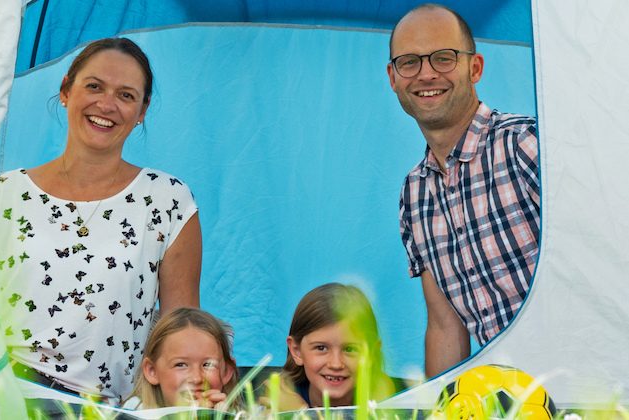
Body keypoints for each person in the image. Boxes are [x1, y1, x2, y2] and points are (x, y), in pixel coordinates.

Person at [0, 37, 202, 410]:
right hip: (6, 401)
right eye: (94, 86)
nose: (106, 104)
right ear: (66, 90)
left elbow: (182, 336)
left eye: (126, 95)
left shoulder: (168, 201)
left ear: (142, 110)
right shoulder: (4, 193)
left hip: (107, 409)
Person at [386, 4, 540, 377]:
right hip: (499, 396)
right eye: (409, 62)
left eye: (443, 58)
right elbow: (445, 326)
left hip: (586, 388)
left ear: (475, 68)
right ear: (393, 78)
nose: (426, 74)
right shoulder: (414, 194)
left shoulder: (526, 144)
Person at [267, 283, 394, 411]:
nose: (336, 364)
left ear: (372, 354)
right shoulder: (276, 404)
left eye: (350, 349)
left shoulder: (391, 403)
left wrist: (300, 413)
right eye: (321, 348)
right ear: (297, 351)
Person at [127, 307, 238, 409]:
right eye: (180, 365)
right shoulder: (134, 412)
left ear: (226, 371)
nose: (197, 378)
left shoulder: (234, 415)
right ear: (152, 371)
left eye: (208, 365)